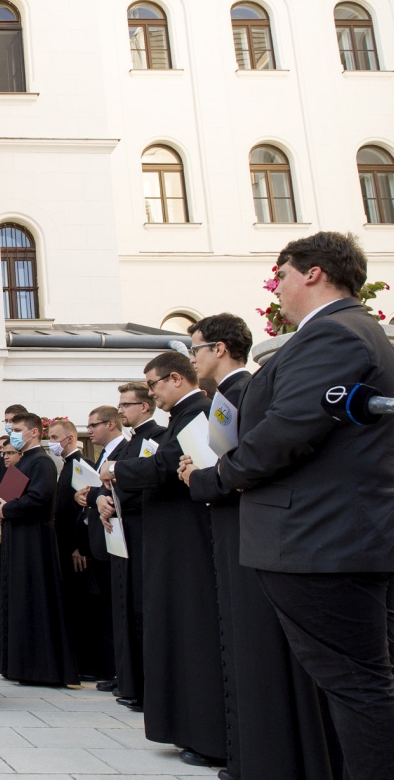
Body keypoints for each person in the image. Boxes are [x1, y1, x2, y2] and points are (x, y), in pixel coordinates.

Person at [212, 233, 394, 780]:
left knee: (358, 686)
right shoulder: (352, 331)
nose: (279, 287)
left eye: (282, 275)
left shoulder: (334, 335)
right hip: (329, 537)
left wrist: (223, 472)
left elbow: (288, 429)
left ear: (313, 273)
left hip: (321, 541)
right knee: (357, 683)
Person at [178, 312, 334, 780]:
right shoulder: (229, 394)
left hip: (252, 529)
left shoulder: (245, 391)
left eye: (197, 349)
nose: (194, 358)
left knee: (258, 645)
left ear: (219, 349)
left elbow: (251, 462)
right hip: (234, 528)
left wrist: (199, 477)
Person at [101, 352, 226, 768]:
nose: (151, 393)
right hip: (173, 542)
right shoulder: (186, 415)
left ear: (175, 379)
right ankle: (183, 725)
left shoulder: (198, 412)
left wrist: (119, 470)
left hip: (188, 543)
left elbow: (167, 467)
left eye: (152, 385)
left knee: (192, 631)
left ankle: (202, 730)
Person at [0, 413, 77, 687]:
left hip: (34, 540)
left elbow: (39, 499)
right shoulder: (23, 461)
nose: (12, 433)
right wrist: (0, 512)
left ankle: (39, 667)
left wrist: (7, 509)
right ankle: (18, 664)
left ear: (32, 433)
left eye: (17, 429)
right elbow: (9, 497)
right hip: (18, 536)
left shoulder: (40, 461)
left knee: (34, 596)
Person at [95, 383, 161, 711]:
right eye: (119, 405)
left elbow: (146, 479)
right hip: (122, 533)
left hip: (142, 532)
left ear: (145, 407)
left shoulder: (155, 438)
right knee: (124, 607)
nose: (120, 411)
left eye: (126, 405)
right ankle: (128, 679)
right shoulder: (130, 443)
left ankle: (141, 685)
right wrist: (101, 500)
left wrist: (114, 496)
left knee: (138, 609)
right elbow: (104, 483)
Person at [50, 418, 113, 682]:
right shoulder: (66, 466)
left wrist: (80, 547)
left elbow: (85, 509)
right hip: (65, 546)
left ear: (70, 438)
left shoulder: (81, 465)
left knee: (88, 607)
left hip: (79, 549)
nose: (51, 442)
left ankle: (95, 665)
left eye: (55, 436)